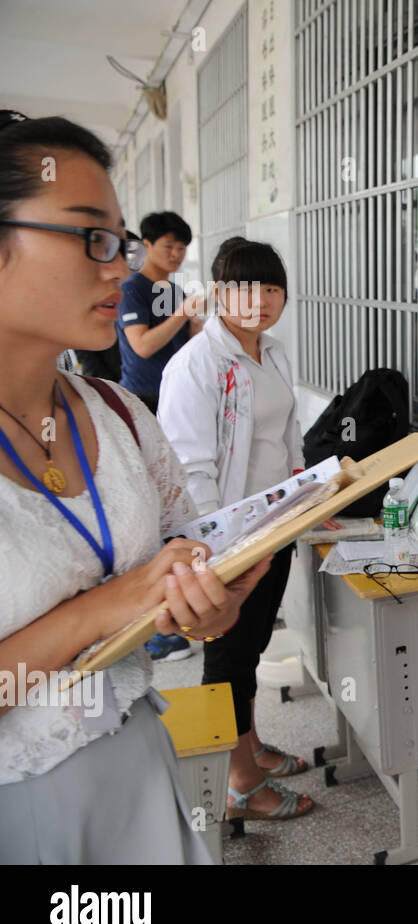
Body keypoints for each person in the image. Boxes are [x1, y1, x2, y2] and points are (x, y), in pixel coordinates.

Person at [0, 109, 271, 863]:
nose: (119, 268)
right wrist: (114, 603)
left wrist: (210, 603)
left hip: (139, 762)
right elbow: (128, 596)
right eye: (89, 237)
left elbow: (181, 587)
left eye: (119, 241)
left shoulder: (119, 415)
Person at [158, 240, 314, 822]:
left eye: (272, 288)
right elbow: (190, 468)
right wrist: (214, 553)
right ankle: (241, 785)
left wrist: (306, 487)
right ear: (220, 294)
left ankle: (250, 746)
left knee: (249, 647)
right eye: (247, 288)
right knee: (226, 657)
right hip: (228, 541)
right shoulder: (197, 365)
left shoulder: (271, 352)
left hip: (274, 527)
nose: (261, 300)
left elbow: (288, 434)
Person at [116, 210, 203, 414]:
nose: (176, 254)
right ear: (147, 245)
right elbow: (143, 346)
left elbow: (184, 346)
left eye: (181, 248)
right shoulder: (132, 289)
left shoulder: (176, 291)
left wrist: (196, 327)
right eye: (169, 246)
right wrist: (182, 313)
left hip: (176, 393)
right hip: (142, 398)